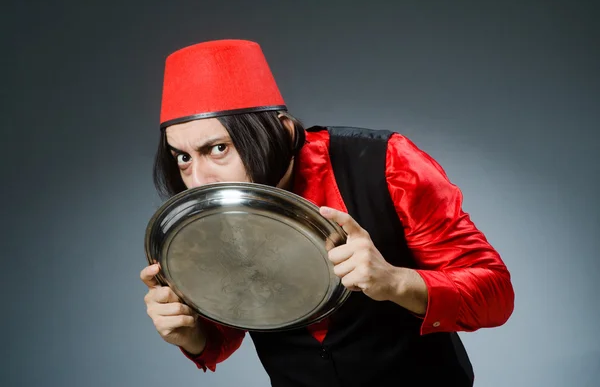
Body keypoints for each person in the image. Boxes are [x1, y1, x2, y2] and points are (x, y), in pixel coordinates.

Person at [140, 39, 515, 387]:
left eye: (218, 148)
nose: (200, 179)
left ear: (282, 132)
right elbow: (230, 323)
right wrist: (191, 335)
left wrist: (396, 282)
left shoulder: (385, 164)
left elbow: (495, 295)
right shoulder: (211, 217)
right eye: (183, 158)